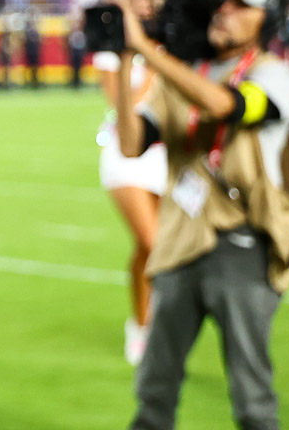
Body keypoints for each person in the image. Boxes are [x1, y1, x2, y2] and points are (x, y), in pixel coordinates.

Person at [111, 0, 289, 430]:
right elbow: (132, 142)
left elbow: (223, 105)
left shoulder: (275, 74)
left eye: (243, 5)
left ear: (268, 19)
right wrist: (123, 57)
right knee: (154, 391)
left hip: (243, 244)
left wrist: (149, 51)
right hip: (179, 240)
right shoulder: (185, 72)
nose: (226, 10)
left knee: (251, 398)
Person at [94, 42, 165, 365]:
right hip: (126, 150)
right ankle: (140, 326)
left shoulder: (168, 37)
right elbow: (120, 104)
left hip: (165, 149)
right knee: (151, 241)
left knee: (156, 244)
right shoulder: (111, 48)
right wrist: (152, 69)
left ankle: (151, 318)